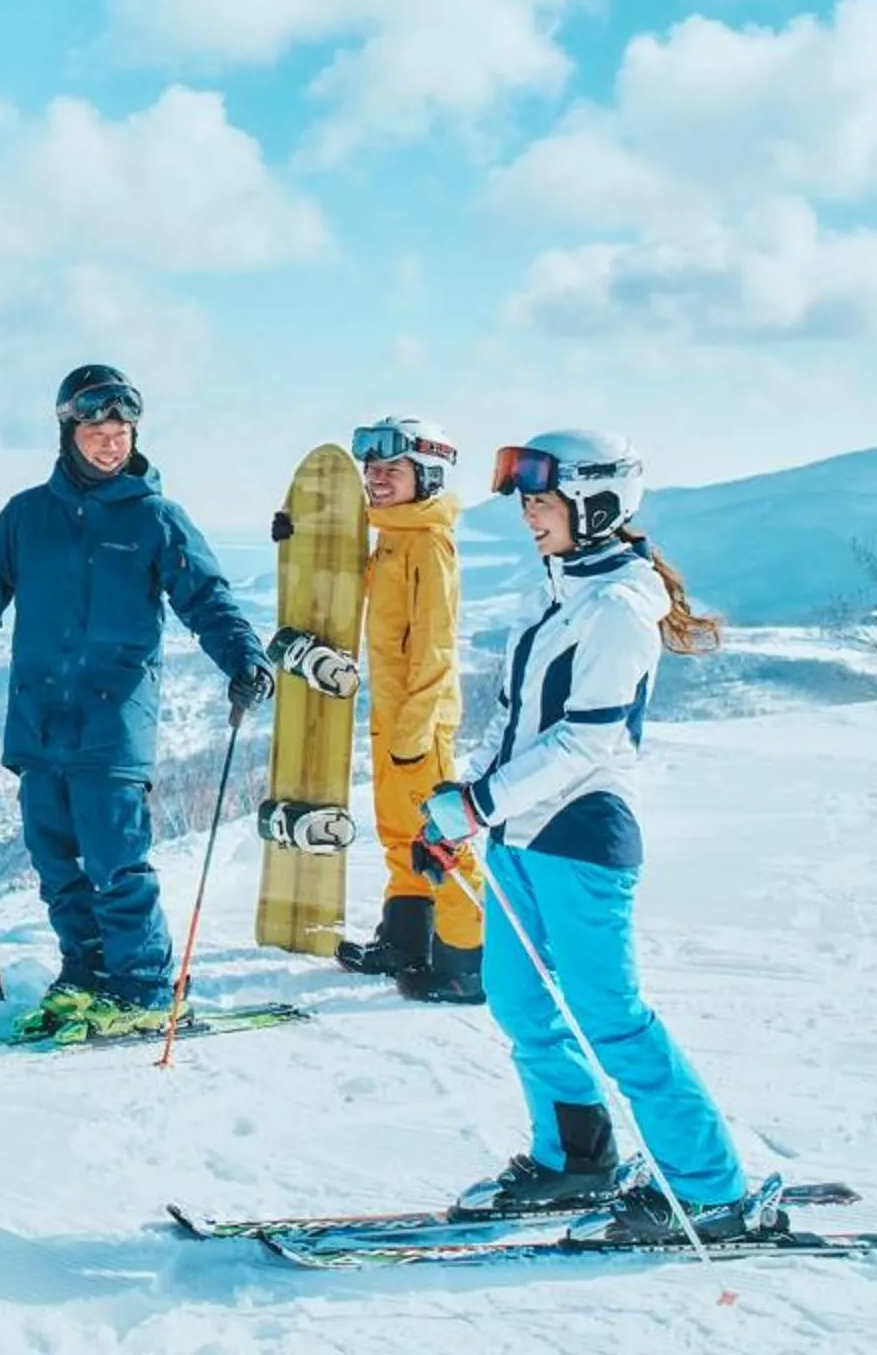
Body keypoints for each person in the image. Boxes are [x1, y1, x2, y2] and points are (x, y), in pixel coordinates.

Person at [416, 429, 781, 1243]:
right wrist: (458, 794)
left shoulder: (617, 608)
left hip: (580, 835)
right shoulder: (560, 592)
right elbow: (515, 721)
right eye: (526, 503)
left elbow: (588, 741)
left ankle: (711, 1190)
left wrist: (478, 803)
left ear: (596, 504)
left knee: (611, 1016)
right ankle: (576, 1157)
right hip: (517, 833)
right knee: (518, 1002)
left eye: (542, 502)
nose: (529, 517)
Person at [0, 365, 274, 1043]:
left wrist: (245, 658)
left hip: (114, 720)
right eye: (97, 431)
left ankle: (143, 985)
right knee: (55, 859)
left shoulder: (157, 519)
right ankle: (86, 970)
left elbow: (208, 600)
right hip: (40, 718)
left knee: (115, 858)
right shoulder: (26, 516)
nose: (110, 444)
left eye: (121, 432)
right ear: (68, 431)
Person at [335, 417, 483, 1003]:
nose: (375, 479)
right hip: (393, 716)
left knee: (442, 840)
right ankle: (404, 942)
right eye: (370, 469)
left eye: (391, 470)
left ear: (427, 475)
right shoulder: (393, 534)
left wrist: (417, 730)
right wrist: (298, 536)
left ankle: (463, 965)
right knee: (400, 832)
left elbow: (437, 647)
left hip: (421, 723)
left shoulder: (429, 541)